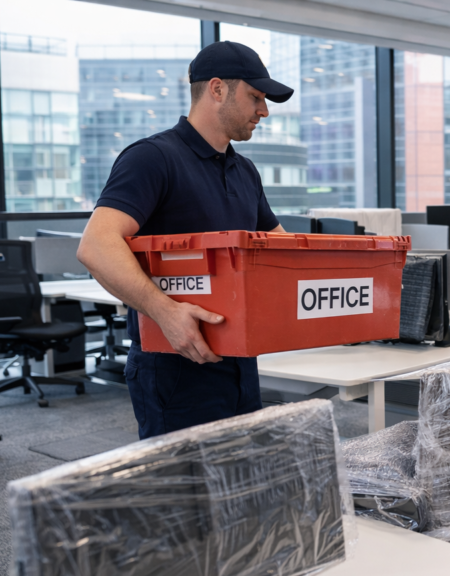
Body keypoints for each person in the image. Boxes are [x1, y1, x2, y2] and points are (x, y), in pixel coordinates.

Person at [77, 41, 293, 439]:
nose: (264, 111)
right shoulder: (153, 158)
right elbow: (96, 245)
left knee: (240, 485)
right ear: (217, 89)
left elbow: (281, 252)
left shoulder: (244, 171)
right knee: (185, 495)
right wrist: (165, 312)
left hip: (239, 360)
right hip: (173, 360)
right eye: (256, 97)